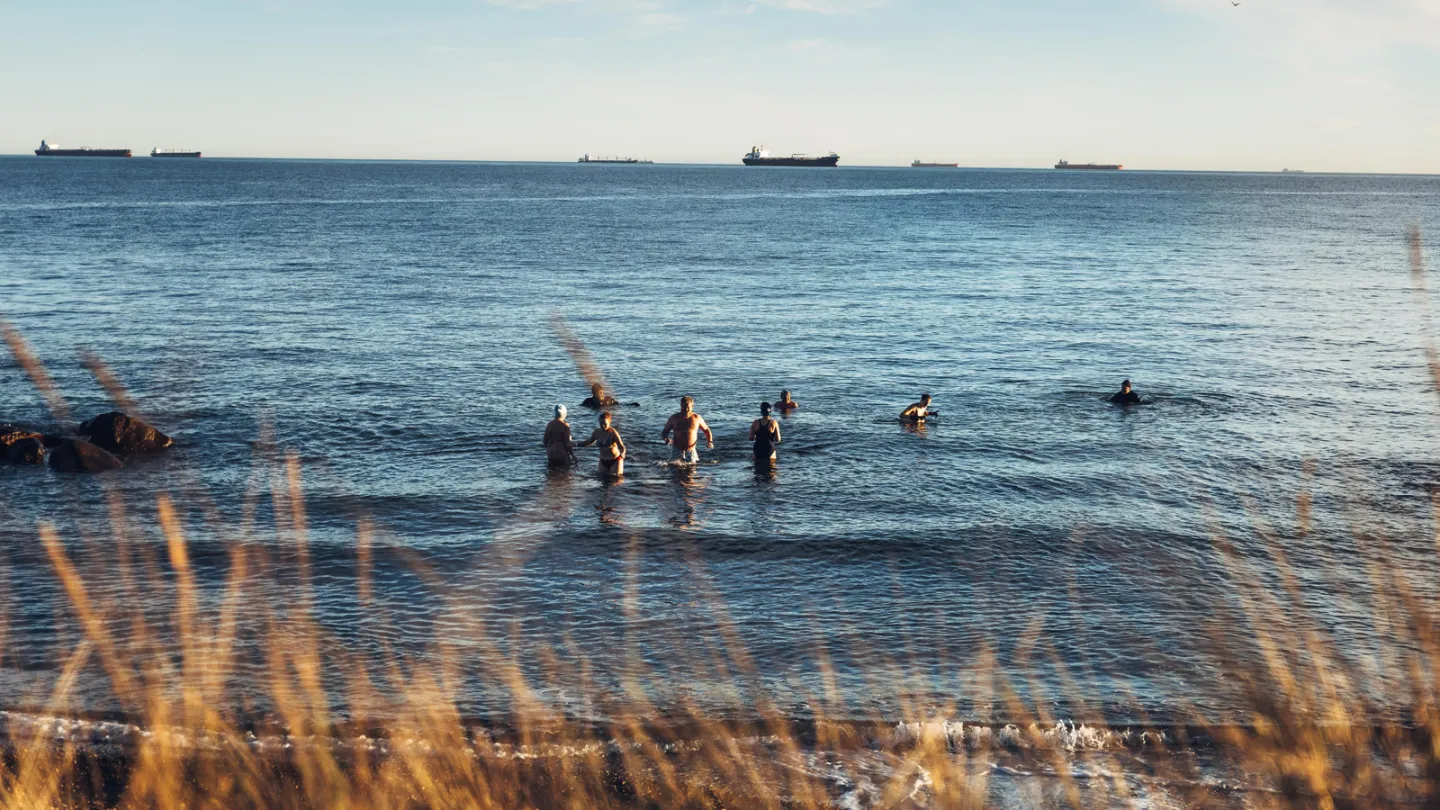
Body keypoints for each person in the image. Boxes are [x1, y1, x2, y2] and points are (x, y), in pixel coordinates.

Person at [661, 396, 713, 464]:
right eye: (683, 407)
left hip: (691, 450)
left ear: (692, 406)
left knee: (692, 471)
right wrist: (666, 438)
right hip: (676, 449)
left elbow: (706, 430)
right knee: (672, 469)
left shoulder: (697, 418)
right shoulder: (674, 418)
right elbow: (664, 431)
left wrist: (710, 441)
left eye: (687, 407)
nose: (685, 409)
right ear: (680, 406)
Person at [578, 411, 626, 477]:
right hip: (603, 461)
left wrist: (622, 454)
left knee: (616, 481)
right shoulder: (597, 432)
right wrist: (575, 444)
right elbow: (588, 442)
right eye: (601, 424)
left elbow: (622, 447)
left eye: (605, 424)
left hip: (615, 460)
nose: (603, 426)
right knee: (601, 481)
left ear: (609, 422)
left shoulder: (613, 433)